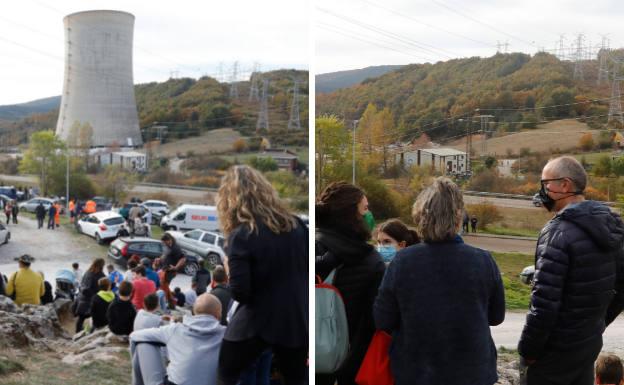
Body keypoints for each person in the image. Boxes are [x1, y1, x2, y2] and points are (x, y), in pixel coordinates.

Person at [374, 177, 505, 385]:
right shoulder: (483, 260)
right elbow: (496, 317)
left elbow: (383, 320)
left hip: (417, 372)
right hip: (473, 373)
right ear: (459, 216)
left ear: (421, 216)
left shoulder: (403, 262)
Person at [518, 156, 624, 385]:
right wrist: (597, 326)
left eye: (546, 183)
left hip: (554, 352)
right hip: (587, 347)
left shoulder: (557, 232)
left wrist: (528, 351)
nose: (542, 190)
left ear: (565, 185)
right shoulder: (612, 226)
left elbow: (544, 304)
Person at [216, 165, 308, 385]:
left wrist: (228, 267)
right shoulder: (297, 225)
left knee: (226, 374)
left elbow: (240, 292)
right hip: (296, 321)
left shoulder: (242, 235)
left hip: (257, 322)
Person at [316, 181, 385, 385]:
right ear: (351, 215)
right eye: (364, 209)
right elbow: (377, 320)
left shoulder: (311, 248)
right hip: (353, 363)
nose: (368, 214)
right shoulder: (370, 260)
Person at [130, 293, 225, 385]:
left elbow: (134, 336)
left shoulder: (175, 329)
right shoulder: (226, 334)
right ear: (219, 315)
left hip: (174, 382)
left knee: (142, 343)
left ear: (194, 312)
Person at [75, 258, 106, 333]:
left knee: (81, 319)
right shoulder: (101, 275)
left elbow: (82, 283)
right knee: (94, 319)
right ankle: (90, 334)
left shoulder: (87, 272)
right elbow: (102, 288)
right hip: (93, 300)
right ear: (102, 265)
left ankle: (77, 333)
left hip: (82, 298)